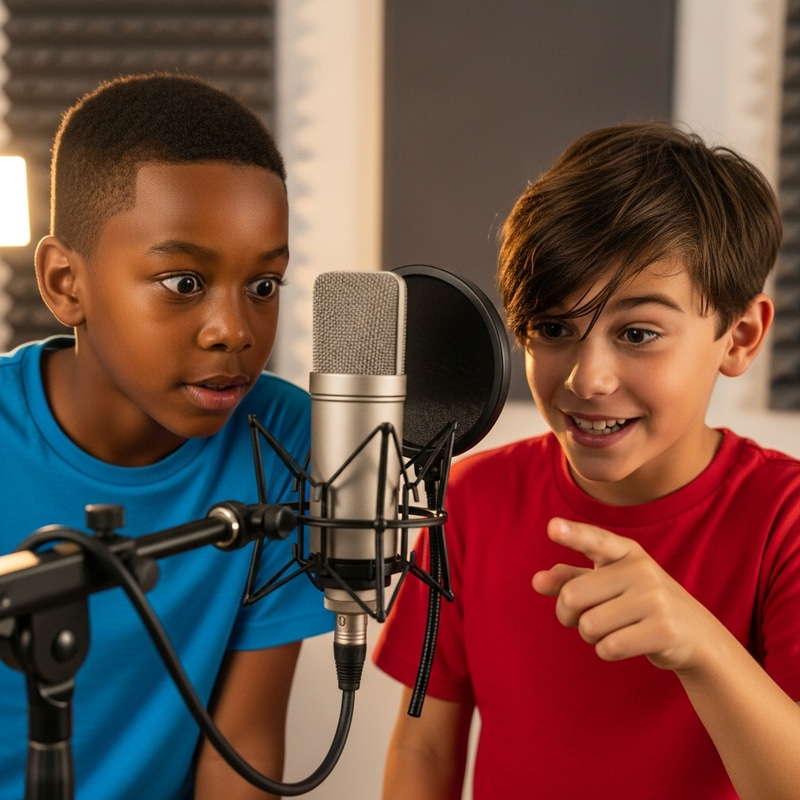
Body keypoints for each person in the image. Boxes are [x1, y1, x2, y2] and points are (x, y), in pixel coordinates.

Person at [373, 122, 800, 799]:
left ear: (740, 337)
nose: (586, 378)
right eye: (554, 329)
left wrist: (702, 648)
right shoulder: (470, 500)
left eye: (638, 333)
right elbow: (423, 748)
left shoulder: (786, 521)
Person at [0, 73, 332, 800]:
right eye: (184, 282)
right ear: (64, 283)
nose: (234, 331)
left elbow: (242, 749)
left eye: (264, 286)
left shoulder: (280, 438)